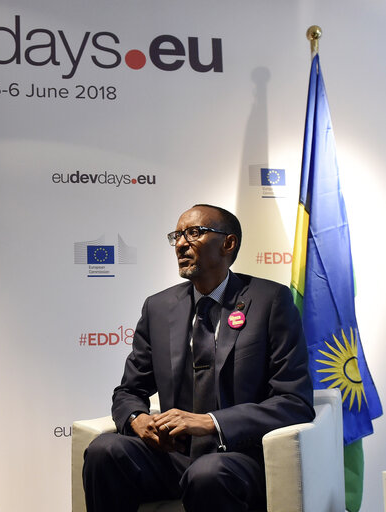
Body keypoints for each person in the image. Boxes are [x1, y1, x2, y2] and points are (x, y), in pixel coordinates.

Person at [82, 204, 314, 512]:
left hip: (237, 456)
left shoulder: (270, 301)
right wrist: (138, 420)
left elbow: (293, 401)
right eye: (177, 235)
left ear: (228, 243)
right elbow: (128, 391)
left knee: (208, 473)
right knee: (104, 450)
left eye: (194, 233)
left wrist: (211, 422)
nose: (180, 243)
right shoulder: (159, 307)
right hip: (171, 456)